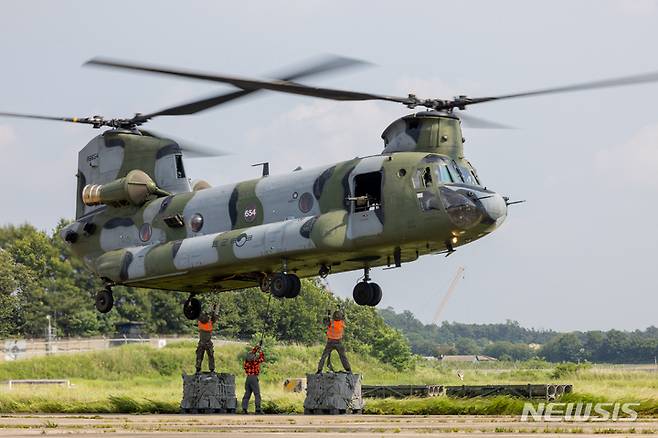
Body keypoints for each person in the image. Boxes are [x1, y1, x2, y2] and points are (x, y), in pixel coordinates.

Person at [241, 344, 265, 414]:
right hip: (254, 378)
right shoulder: (255, 361)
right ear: (254, 357)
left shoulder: (246, 362)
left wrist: (256, 348)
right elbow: (262, 358)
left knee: (247, 394)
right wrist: (260, 351)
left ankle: (244, 409)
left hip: (248, 378)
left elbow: (252, 354)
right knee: (257, 394)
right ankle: (258, 409)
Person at [195, 304, 218, 373]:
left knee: (199, 356)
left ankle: (198, 369)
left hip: (201, 342)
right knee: (211, 356)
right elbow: (214, 317)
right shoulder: (210, 323)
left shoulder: (199, 322)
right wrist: (214, 309)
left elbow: (200, 316)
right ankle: (212, 369)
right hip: (208, 342)